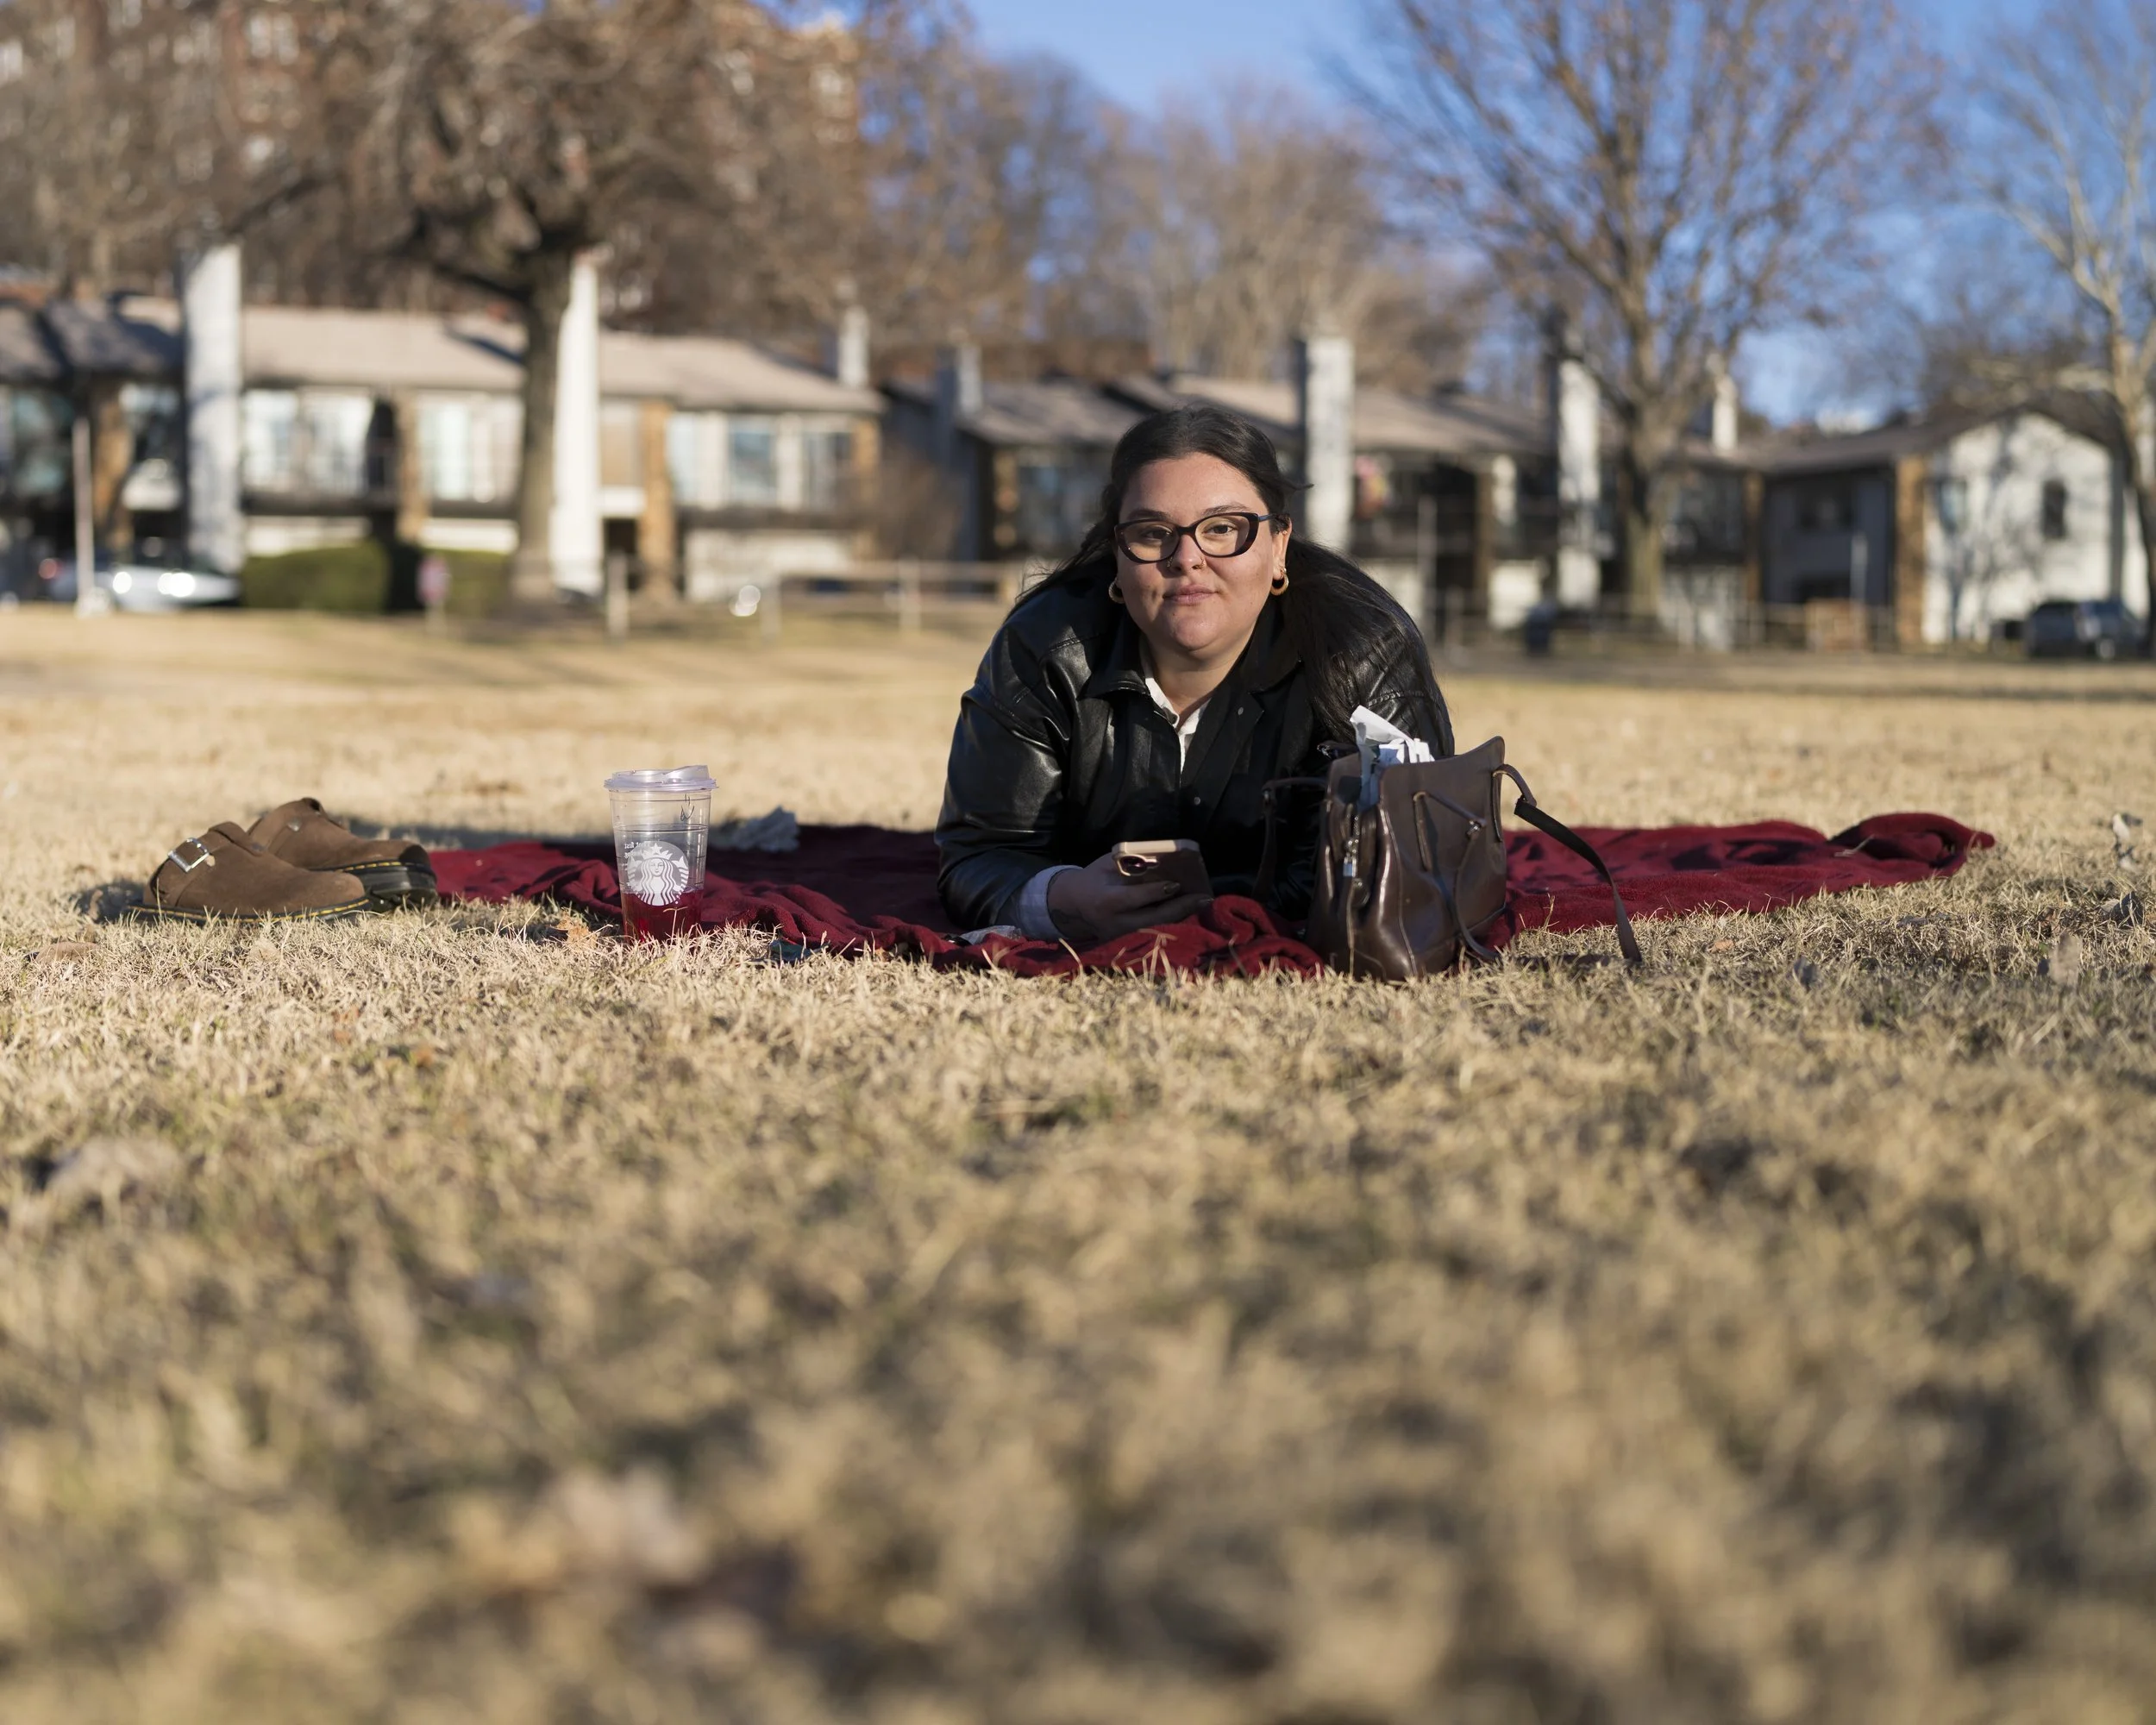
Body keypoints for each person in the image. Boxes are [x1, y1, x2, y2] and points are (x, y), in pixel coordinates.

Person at [937, 403, 1453, 942]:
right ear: (1117, 551)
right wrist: (1067, 898)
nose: (1186, 557)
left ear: (1279, 546)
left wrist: (1206, 911)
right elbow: (980, 856)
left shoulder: (1360, 652)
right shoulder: (1044, 649)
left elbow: (1409, 858)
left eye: (1224, 528)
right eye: (1153, 532)